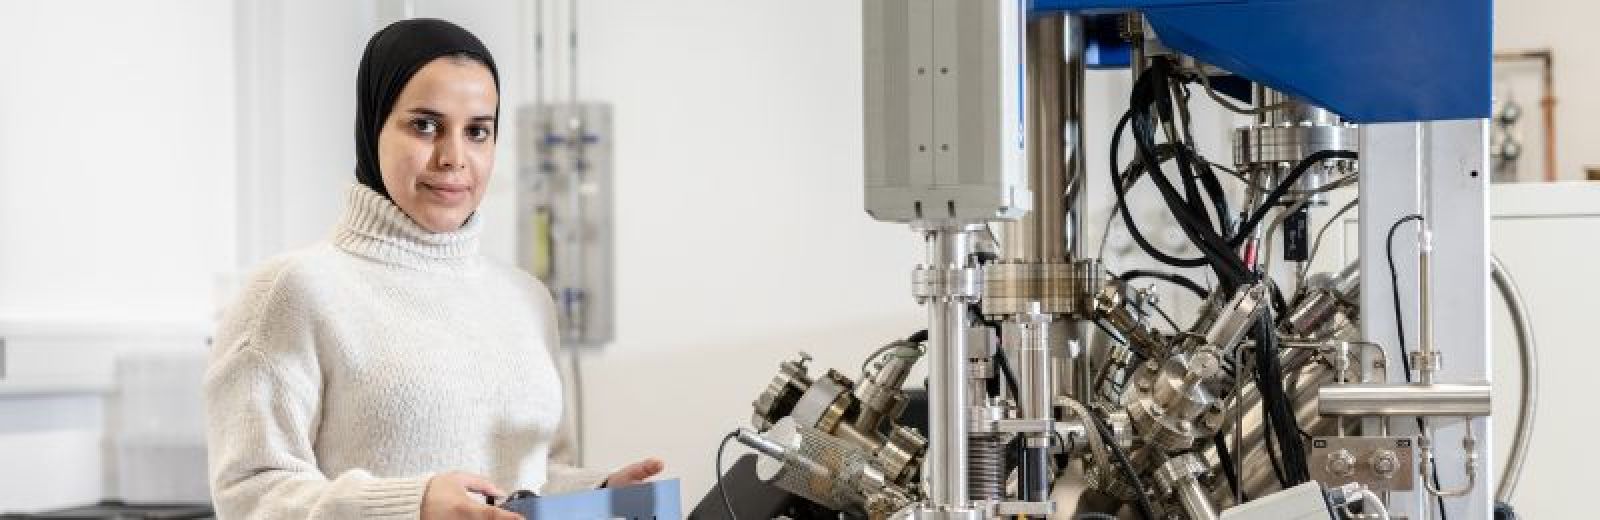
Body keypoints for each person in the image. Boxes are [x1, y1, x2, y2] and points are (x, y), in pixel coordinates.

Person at [204, 18, 661, 519]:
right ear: (373, 124)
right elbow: (250, 495)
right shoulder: (293, 291)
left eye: (477, 132)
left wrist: (596, 493)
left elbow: (532, 478)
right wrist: (411, 507)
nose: (453, 157)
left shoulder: (528, 300)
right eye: (425, 125)